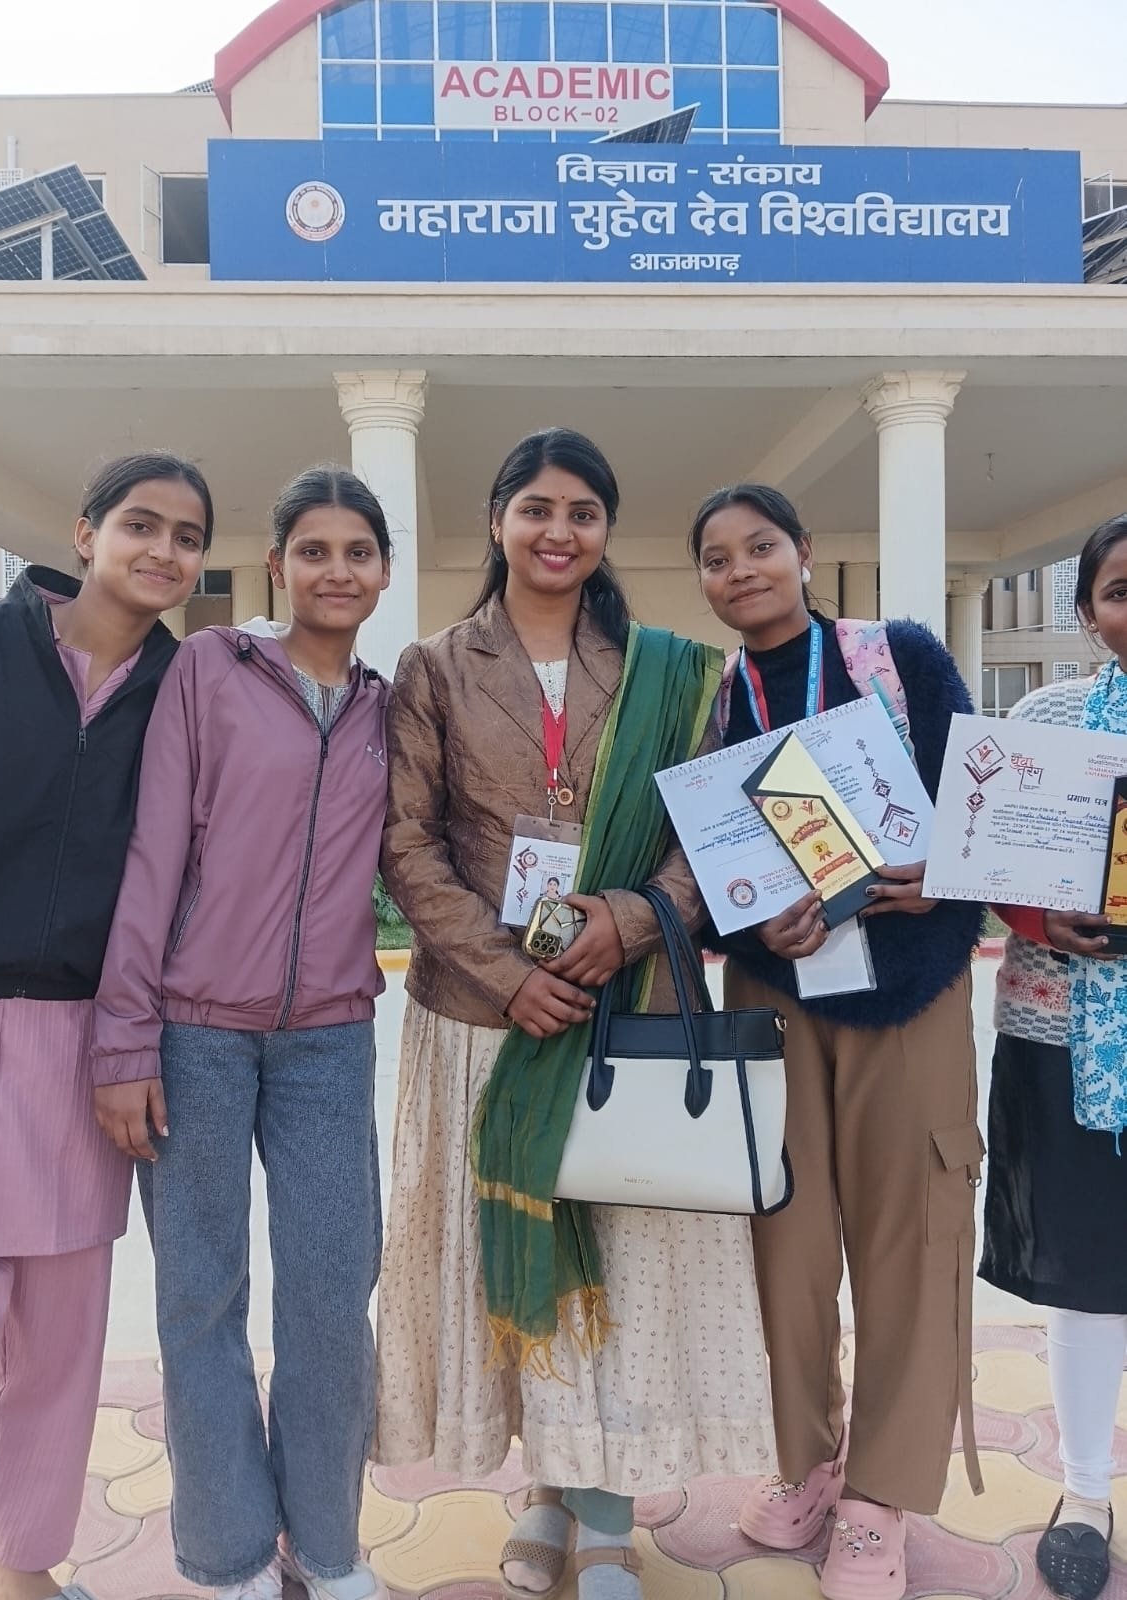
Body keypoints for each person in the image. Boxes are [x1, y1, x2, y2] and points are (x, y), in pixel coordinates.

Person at [376, 428, 775, 1600]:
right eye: (537, 508)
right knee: (523, 1261)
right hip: (484, 1018)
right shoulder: (434, 667)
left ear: (605, 531)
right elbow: (406, 842)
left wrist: (640, 916)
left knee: (620, 1261)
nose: (558, 531)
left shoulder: (672, 673)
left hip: (623, 1010)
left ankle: (605, 1514)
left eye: (582, 512)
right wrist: (508, 974)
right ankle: (546, 1489)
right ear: (498, 520)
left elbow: (711, 829)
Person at [91, 467, 392, 1600]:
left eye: (357, 551)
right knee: (199, 1297)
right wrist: (126, 1041)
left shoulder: (386, 707)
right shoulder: (212, 669)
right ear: (277, 566)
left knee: (331, 1294)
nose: (335, 570)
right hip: (194, 1034)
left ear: (383, 571)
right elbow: (152, 853)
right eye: (312, 550)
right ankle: (227, 1556)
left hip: (330, 1040)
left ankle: (325, 1543)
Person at [0, 453, 211, 1600]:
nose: (162, 550)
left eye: (186, 535)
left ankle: (25, 1564)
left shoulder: (186, 694)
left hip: (81, 1043)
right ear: (86, 532)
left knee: (58, 1339)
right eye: (141, 523)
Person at [691, 484, 985, 1600]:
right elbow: (701, 859)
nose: (740, 570)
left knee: (911, 1234)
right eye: (716, 558)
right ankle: (809, 1462)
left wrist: (939, 877)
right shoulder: (711, 700)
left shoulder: (897, 659)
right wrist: (746, 925)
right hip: (776, 999)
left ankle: (879, 1499)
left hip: (907, 993)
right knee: (788, 1244)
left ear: (805, 551)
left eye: (760, 545)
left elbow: (979, 806)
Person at [980, 513, 1127, 1600]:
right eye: (1120, 590)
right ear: (1085, 612)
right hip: (1065, 1037)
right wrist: (1042, 917)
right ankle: (1083, 1491)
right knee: (1088, 1278)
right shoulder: (1046, 720)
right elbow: (985, 862)